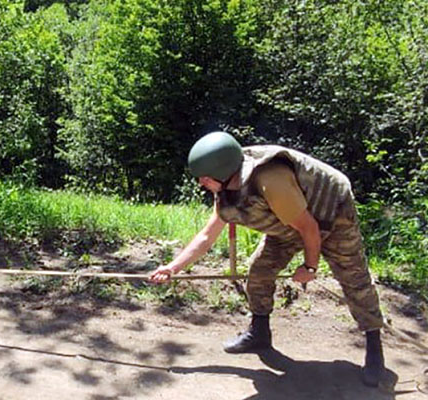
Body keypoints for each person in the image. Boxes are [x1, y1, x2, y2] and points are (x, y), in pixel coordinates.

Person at [149, 131, 386, 387]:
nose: (200, 184)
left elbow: (309, 228)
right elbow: (207, 236)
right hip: (288, 222)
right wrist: (172, 267)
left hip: (331, 213)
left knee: (354, 278)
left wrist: (310, 266)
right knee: (259, 271)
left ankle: (374, 348)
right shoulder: (227, 187)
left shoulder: (271, 181)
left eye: (205, 179)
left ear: (223, 172)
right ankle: (259, 333)